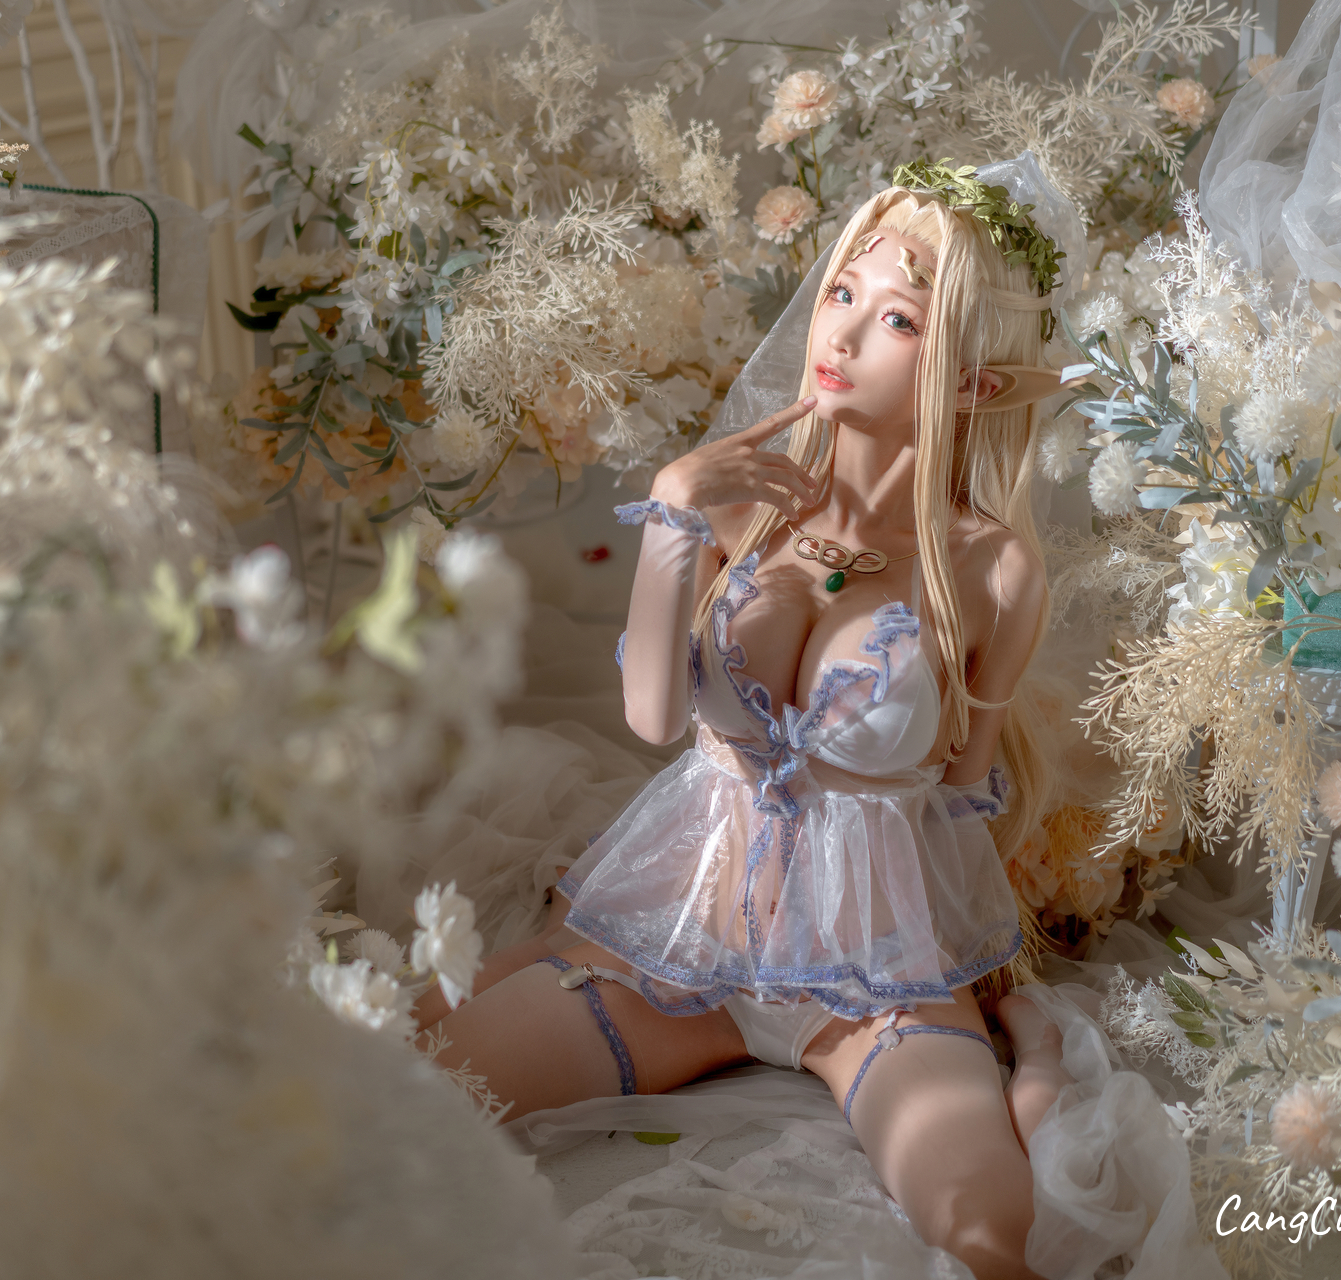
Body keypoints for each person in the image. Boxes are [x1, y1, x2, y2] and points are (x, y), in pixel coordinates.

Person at [420, 173, 1078, 1280]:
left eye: (898, 318)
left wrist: (973, 980)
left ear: (971, 380)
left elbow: (964, 786)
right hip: (683, 953)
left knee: (987, 1236)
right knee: (417, 1094)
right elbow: (652, 716)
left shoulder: (992, 569)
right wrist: (672, 508)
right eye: (841, 293)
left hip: (870, 980)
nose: (841, 335)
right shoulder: (738, 503)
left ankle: (1029, 1059)